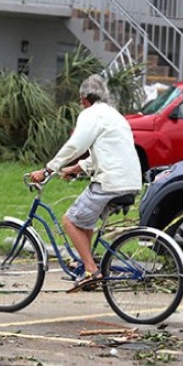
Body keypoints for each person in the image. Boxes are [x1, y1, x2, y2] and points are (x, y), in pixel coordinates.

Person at [29, 74, 142, 292]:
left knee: (70, 220)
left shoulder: (91, 114)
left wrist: (47, 170)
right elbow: (108, 152)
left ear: (83, 98)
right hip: (129, 181)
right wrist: (77, 168)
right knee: (85, 222)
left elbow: (76, 145)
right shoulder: (114, 115)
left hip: (110, 183)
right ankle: (85, 266)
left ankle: (91, 270)